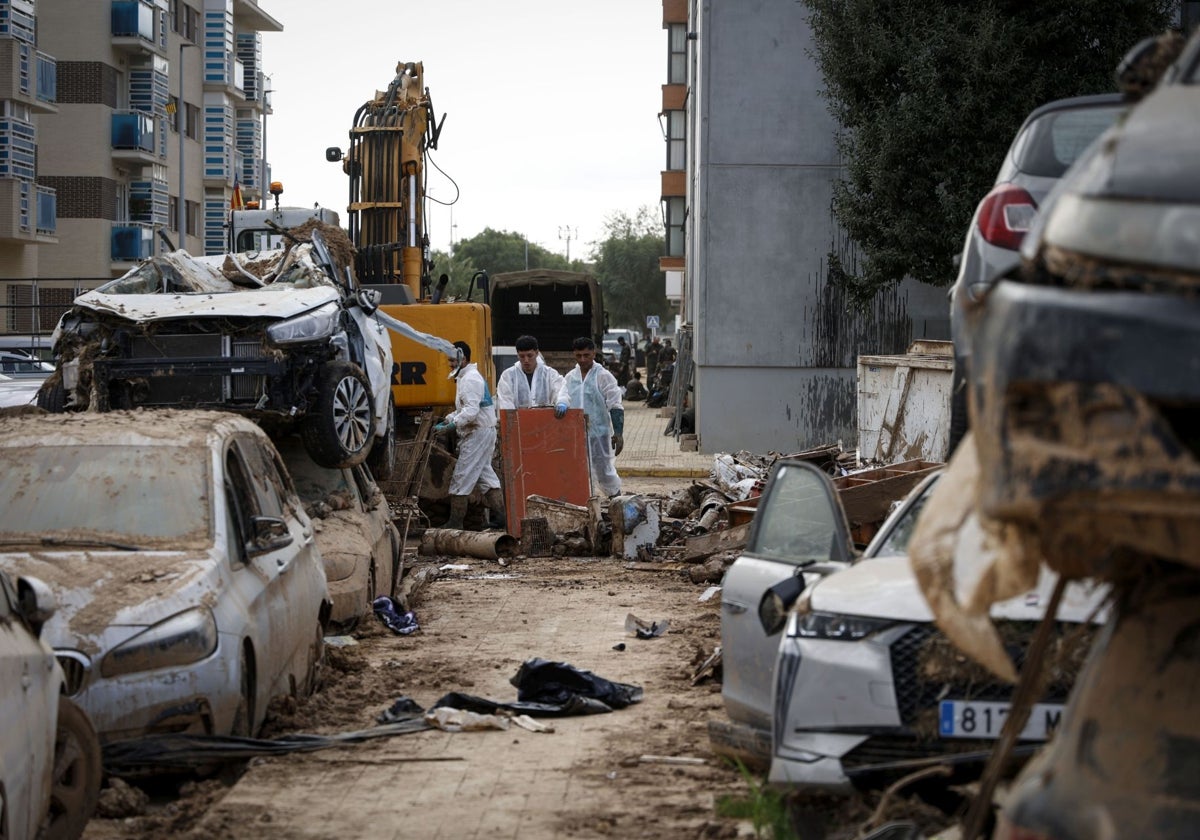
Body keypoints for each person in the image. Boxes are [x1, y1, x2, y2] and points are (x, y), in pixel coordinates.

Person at [434, 340, 505, 530]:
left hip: (477, 432)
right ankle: (501, 518)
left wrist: (452, 425)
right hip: (482, 430)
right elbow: (466, 409)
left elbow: (471, 412)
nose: (450, 364)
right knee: (485, 475)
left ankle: (456, 522)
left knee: (461, 476)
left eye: (452, 360)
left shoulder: (470, 379)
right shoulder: (467, 377)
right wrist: (449, 419)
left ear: (462, 358)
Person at [554, 337, 623, 498]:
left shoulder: (603, 376)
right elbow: (563, 395)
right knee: (577, 473)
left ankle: (617, 501)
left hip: (599, 434)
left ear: (594, 353)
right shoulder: (571, 377)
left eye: (586, 355)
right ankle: (585, 506)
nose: (583, 359)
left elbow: (615, 405)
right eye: (579, 356)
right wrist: (562, 403)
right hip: (576, 435)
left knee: (605, 472)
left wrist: (618, 433)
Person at [496, 334, 564, 409]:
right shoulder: (508, 376)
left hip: (545, 419)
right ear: (517, 355)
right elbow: (506, 402)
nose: (526, 360)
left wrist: (561, 402)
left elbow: (560, 391)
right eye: (522, 356)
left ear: (537, 353)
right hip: (519, 420)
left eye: (530, 356)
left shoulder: (550, 374)